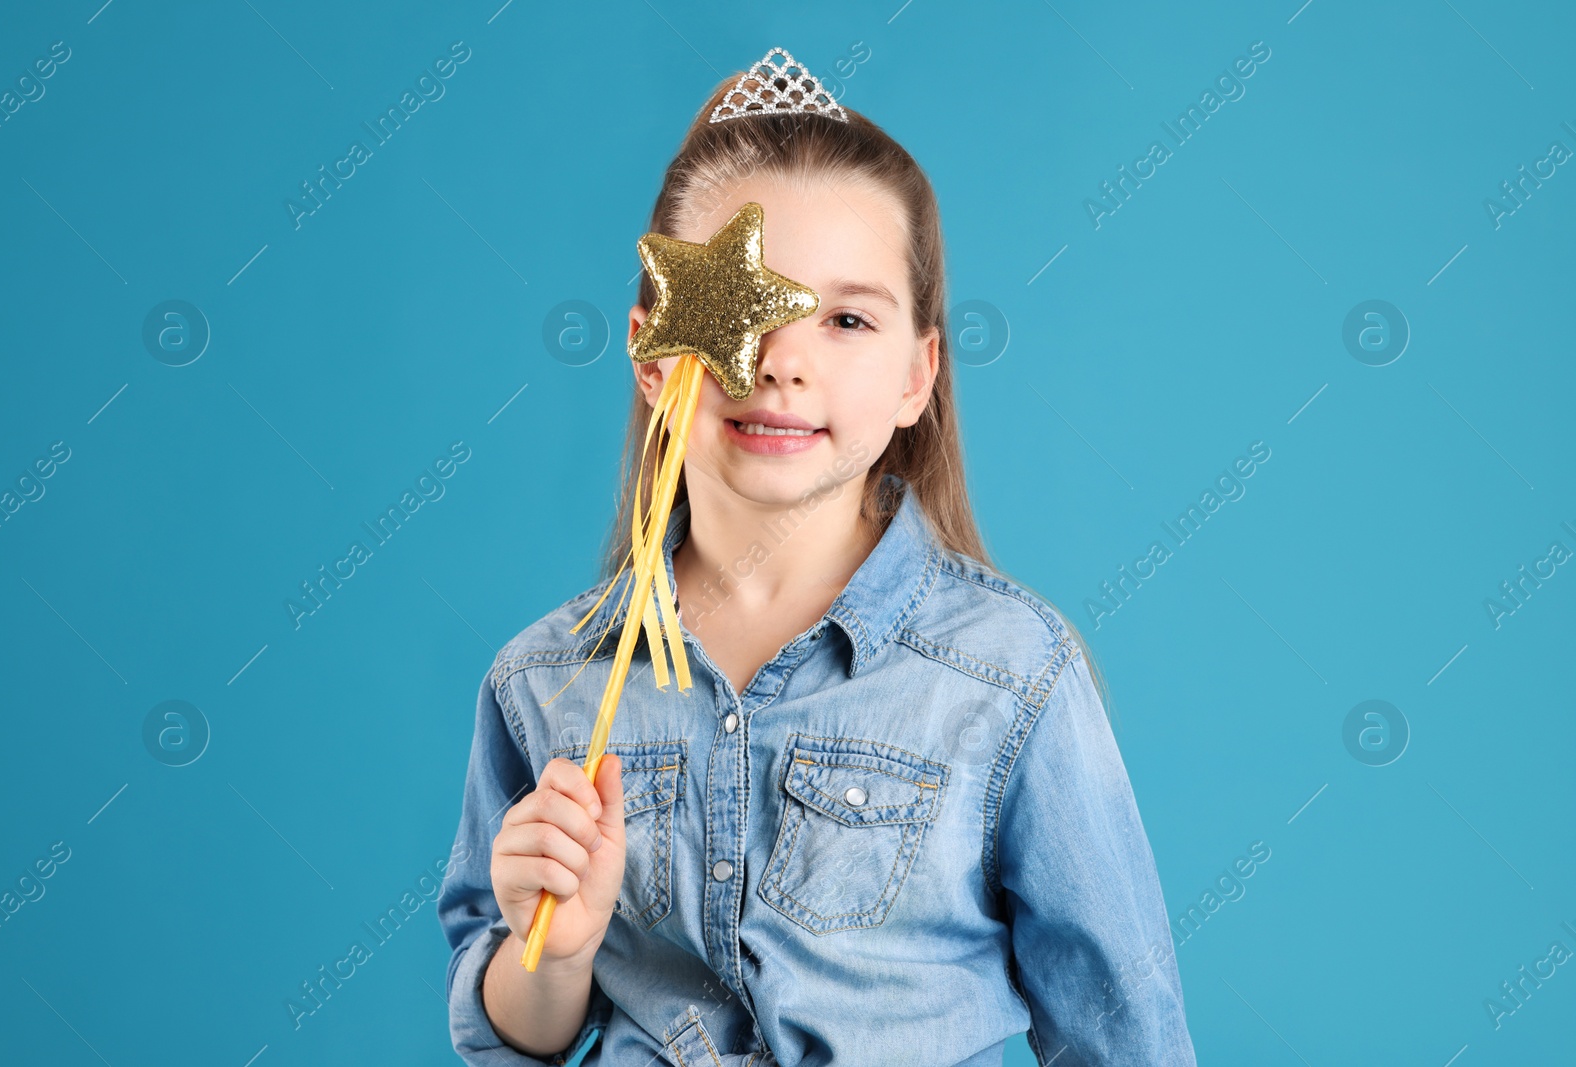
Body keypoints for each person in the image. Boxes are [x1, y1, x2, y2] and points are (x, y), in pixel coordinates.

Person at [438, 48, 1196, 1067]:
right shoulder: (546, 679)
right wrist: (552, 950)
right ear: (656, 352)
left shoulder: (1012, 671)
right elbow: (514, 1037)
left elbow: (1125, 1029)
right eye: (741, 309)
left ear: (916, 375)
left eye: (844, 318)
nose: (781, 358)